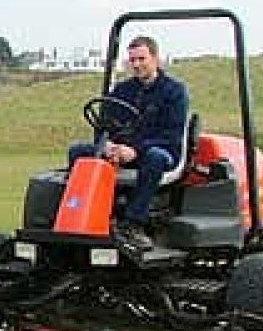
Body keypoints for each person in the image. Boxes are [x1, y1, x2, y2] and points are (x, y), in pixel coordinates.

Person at [68, 36, 189, 250]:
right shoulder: (122, 91)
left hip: (159, 151)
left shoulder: (174, 92)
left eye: (141, 59)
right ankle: (81, 214)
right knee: (78, 151)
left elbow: (171, 135)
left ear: (155, 58)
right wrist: (106, 145)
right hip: (120, 150)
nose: (136, 65)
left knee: (155, 157)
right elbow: (103, 126)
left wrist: (134, 151)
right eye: (132, 60)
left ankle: (133, 223)